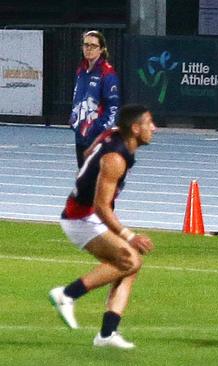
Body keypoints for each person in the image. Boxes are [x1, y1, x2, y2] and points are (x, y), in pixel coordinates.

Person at [49, 104, 156, 349]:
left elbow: (88, 153)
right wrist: (129, 235)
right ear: (135, 128)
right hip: (81, 218)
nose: (154, 128)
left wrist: (91, 173)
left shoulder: (113, 135)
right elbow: (101, 207)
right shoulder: (115, 158)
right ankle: (67, 294)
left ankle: (107, 334)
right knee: (130, 261)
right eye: (149, 123)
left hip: (88, 214)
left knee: (129, 265)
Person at [70, 30, 121, 168]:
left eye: (93, 46)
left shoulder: (107, 74)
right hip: (81, 135)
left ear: (101, 49)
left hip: (97, 138)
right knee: (83, 180)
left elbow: (112, 109)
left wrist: (97, 129)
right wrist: (74, 121)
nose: (89, 49)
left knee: (97, 182)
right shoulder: (81, 71)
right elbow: (77, 99)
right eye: (86, 45)